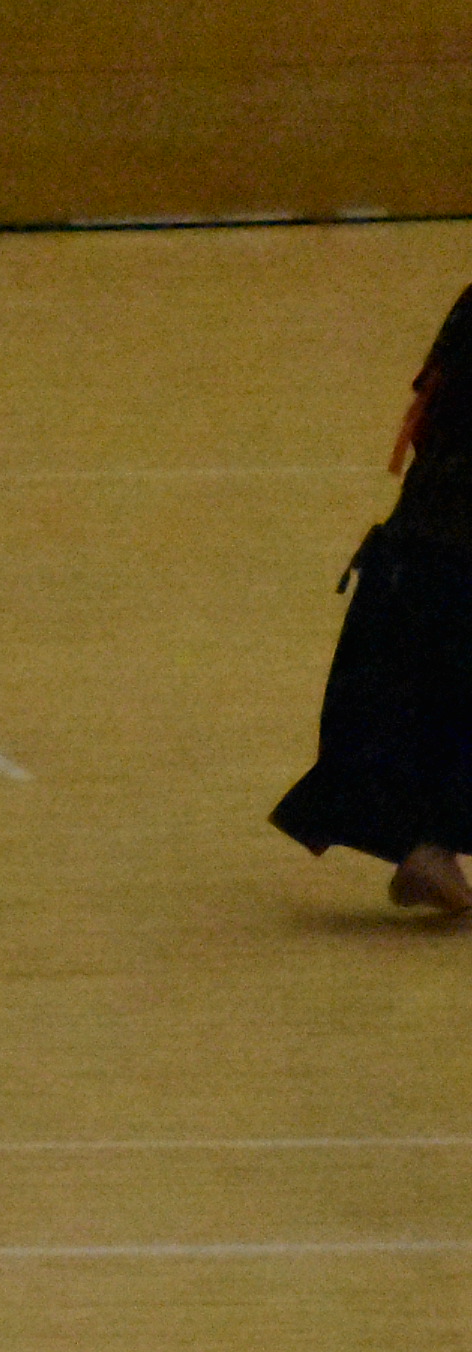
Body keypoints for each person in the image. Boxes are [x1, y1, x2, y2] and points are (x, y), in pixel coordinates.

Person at [278, 282, 472, 916]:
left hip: (426, 545)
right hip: (442, 552)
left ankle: (429, 845)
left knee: (417, 695)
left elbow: (425, 418)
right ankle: (430, 844)